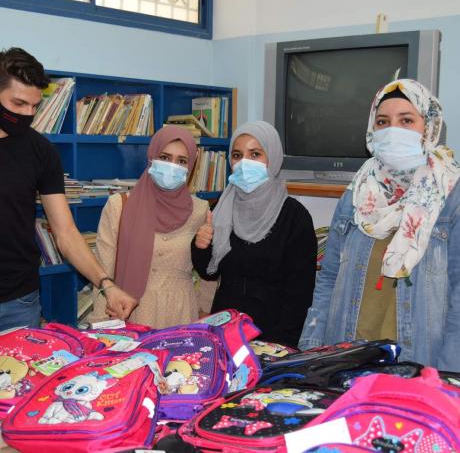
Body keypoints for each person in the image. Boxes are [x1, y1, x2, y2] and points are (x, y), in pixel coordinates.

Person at [298, 79, 460, 371]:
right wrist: (311, 349)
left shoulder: (450, 194)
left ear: (430, 126)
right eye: (383, 121)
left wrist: (448, 376)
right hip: (348, 359)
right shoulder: (358, 191)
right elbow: (329, 277)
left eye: (406, 120)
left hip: (417, 364)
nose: (392, 131)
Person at [0, 47, 137, 331]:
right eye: (18, 104)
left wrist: (106, 284)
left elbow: (65, 233)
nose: (28, 114)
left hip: (19, 302)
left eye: (35, 106)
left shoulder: (41, 151)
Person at [191, 121, 317, 348]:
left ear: (273, 158)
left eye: (255, 154)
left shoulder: (294, 217)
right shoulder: (222, 206)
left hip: (273, 336)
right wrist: (200, 245)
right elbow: (209, 272)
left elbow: (299, 294)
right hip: (225, 331)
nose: (243, 163)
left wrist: (283, 346)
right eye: (237, 155)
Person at [89, 125, 216, 328]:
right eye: (165, 157)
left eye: (182, 161)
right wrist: (101, 324)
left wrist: (205, 312)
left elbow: (209, 271)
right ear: (152, 157)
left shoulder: (201, 210)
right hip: (131, 311)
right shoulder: (119, 206)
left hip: (182, 313)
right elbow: (104, 270)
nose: (172, 166)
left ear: (191, 166)